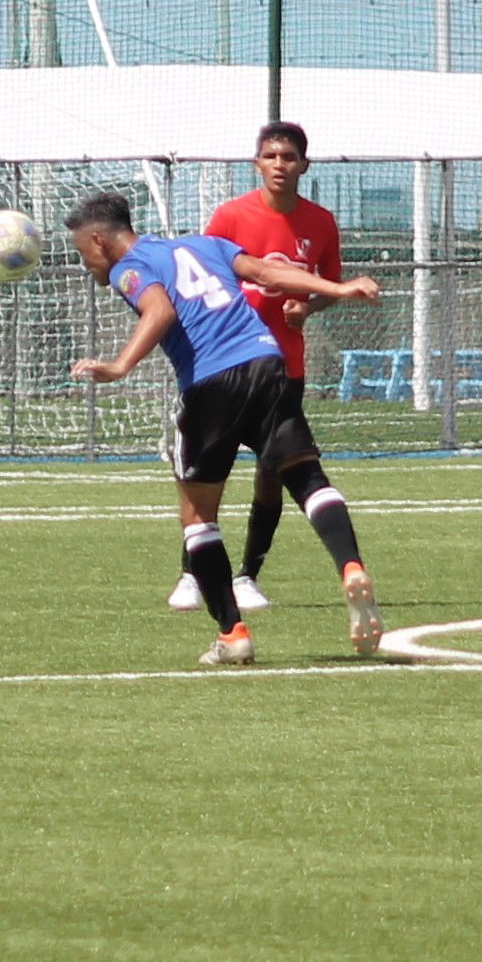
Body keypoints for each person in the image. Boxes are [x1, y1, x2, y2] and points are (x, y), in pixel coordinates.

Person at [65, 190, 384, 666]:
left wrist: (118, 366)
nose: (86, 263)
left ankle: (232, 633)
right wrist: (338, 289)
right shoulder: (203, 243)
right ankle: (351, 566)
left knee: (198, 517)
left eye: (81, 252)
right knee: (305, 476)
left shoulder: (125, 268)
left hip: (212, 382)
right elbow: (267, 273)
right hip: (266, 360)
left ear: (98, 239)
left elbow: (160, 311)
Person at [167, 120, 344, 615]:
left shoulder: (321, 223)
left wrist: (306, 309)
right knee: (209, 473)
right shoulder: (229, 217)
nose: (279, 166)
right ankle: (191, 574)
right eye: (270, 157)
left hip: (283, 368)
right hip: (224, 368)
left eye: (288, 158)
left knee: (273, 473)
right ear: (257, 163)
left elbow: (327, 286)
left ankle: (247, 576)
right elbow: (197, 279)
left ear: (304, 165)